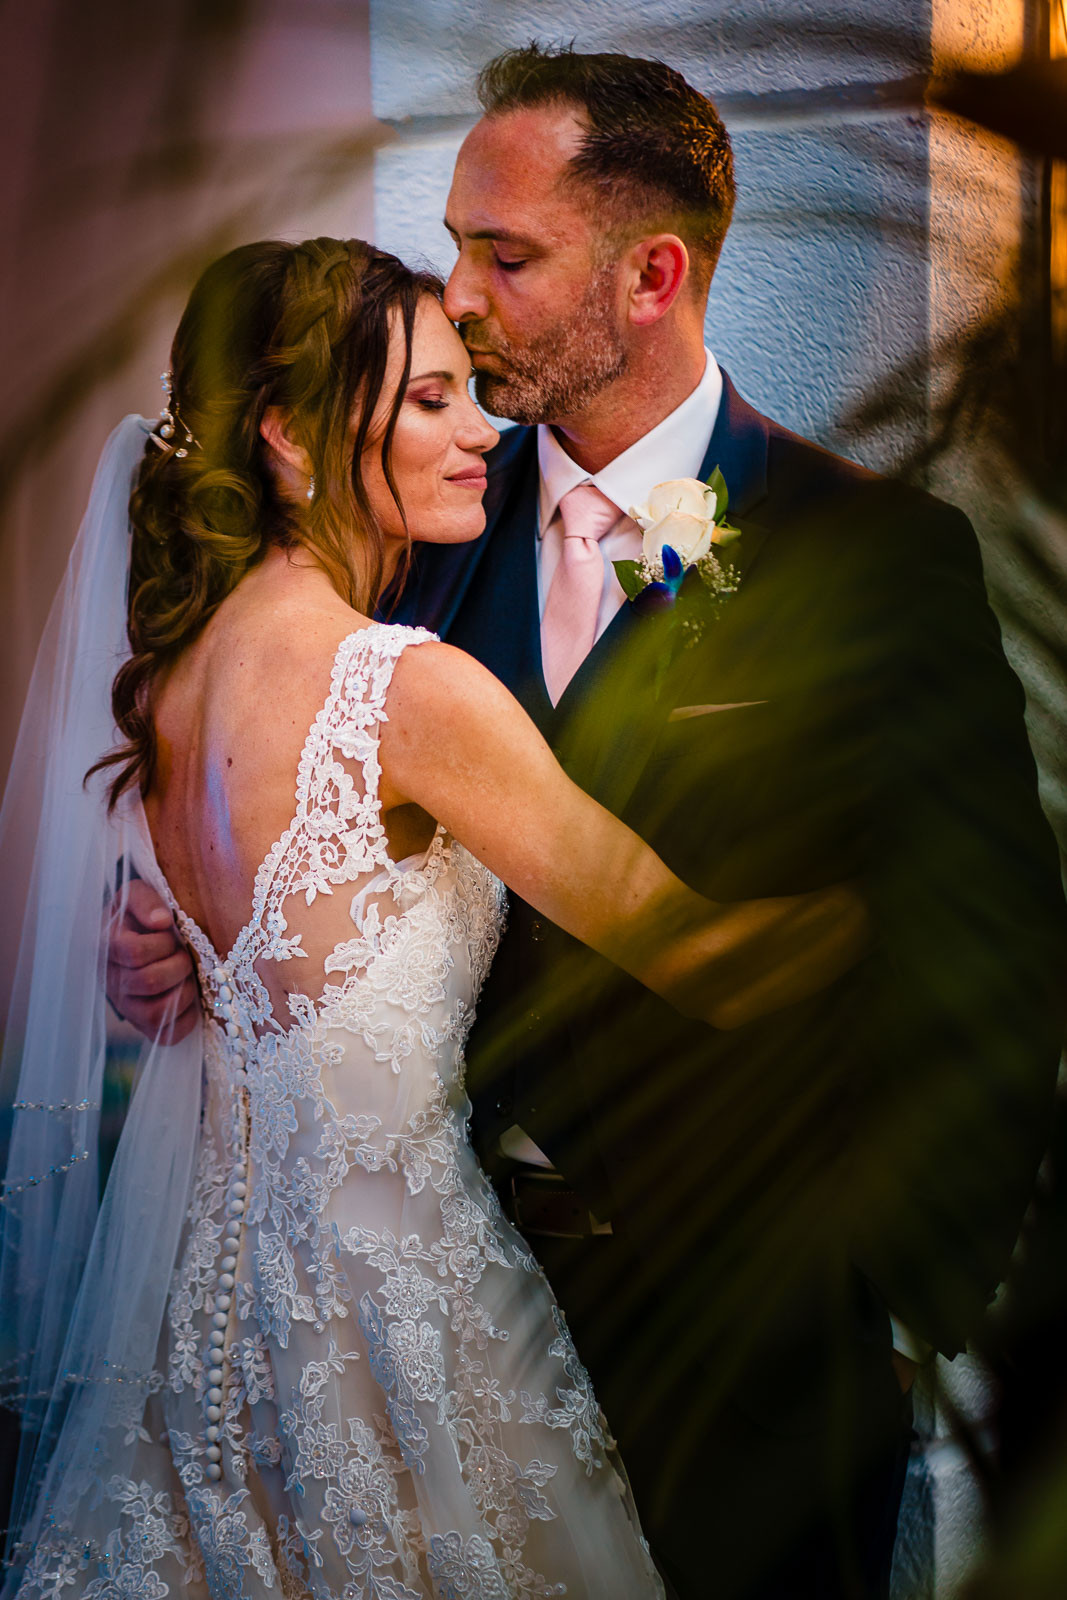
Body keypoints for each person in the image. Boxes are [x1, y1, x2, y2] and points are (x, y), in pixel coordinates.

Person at [104, 45, 1067, 1600]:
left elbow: (993, 947)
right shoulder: (398, 561)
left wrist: (909, 1300)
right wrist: (182, 940)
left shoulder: (872, 561)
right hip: (433, 1331)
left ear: (652, 275)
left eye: (507, 254)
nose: (462, 295)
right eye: (456, 249)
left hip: (761, 1350)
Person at [0, 236, 875, 1600]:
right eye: (429, 402)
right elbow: (689, 948)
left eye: (473, 391)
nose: (486, 428)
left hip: (215, 1321)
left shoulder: (168, 687)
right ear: (291, 436)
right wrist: (906, 903)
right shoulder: (406, 688)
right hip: (405, 1327)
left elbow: (210, 954)